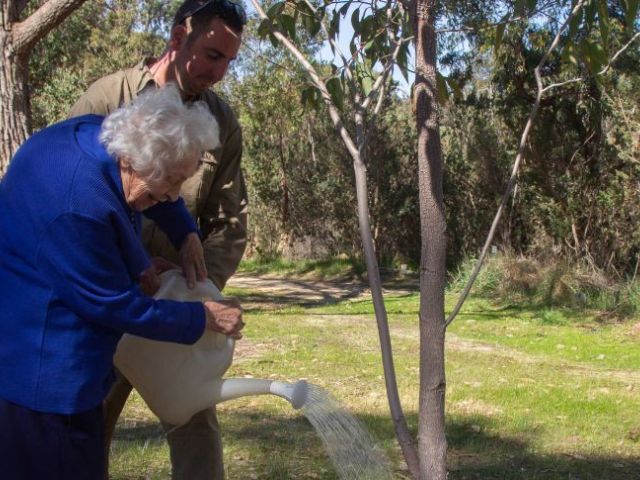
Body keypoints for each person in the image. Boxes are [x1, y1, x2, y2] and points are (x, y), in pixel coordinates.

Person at [0, 85, 244, 480]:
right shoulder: (77, 207)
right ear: (137, 160)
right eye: (170, 183)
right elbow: (115, 305)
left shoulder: (107, 138)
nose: (174, 195)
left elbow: (128, 207)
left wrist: (184, 233)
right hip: (44, 376)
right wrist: (201, 318)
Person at [68, 1, 249, 478]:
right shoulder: (109, 98)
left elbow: (231, 223)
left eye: (229, 61)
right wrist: (127, 269)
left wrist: (195, 281)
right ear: (177, 38)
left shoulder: (223, 124)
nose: (220, 72)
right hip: (106, 304)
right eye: (212, 55)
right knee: (84, 429)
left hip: (173, 305)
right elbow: (72, 198)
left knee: (195, 429)